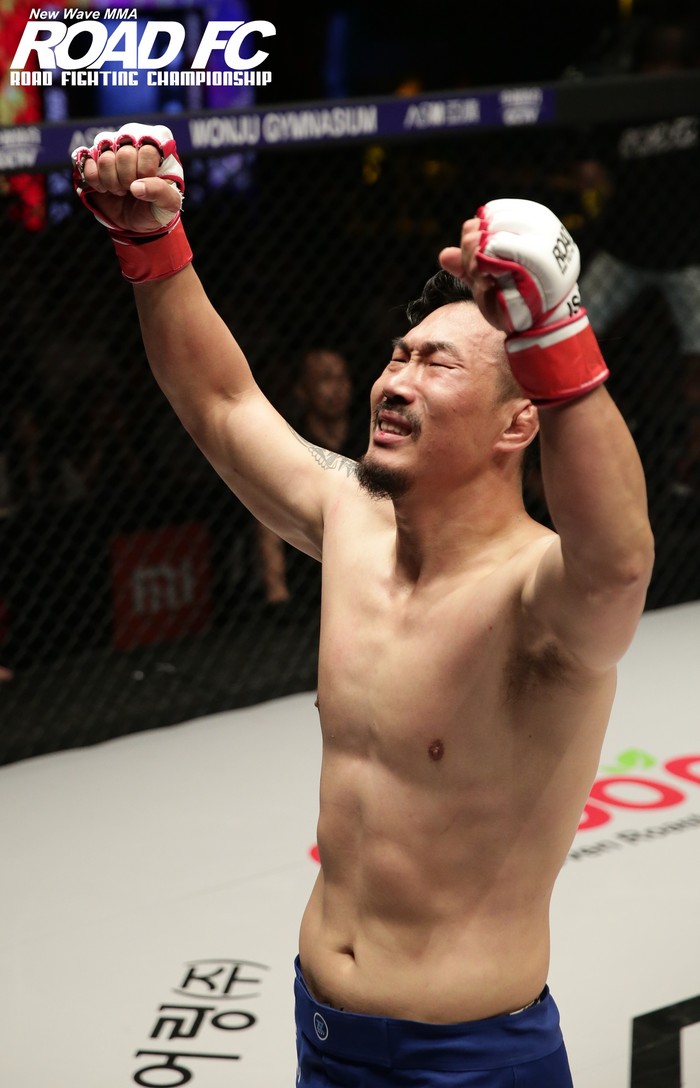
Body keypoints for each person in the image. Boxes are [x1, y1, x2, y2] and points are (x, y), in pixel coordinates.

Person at [72, 125, 654, 1087]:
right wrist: (151, 245)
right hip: (324, 1037)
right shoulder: (354, 523)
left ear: (520, 419)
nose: (395, 379)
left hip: (473, 1058)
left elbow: (620, 565)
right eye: (399, 354)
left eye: (438, 364)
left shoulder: (538, 597)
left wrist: (556, 334)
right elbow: (222, 405)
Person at [575, 18, 700, 496]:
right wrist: (593, 176)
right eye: (655, 65)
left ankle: (690, 460)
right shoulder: (622, 105)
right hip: (624, 250)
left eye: (672, 65)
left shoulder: (692, 100)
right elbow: (589, 160)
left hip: (687, 254)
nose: (662, 74)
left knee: (698, 359)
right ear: (643, 65)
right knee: (566, 334)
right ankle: (553, 452)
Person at [255, 347, 358, 606]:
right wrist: (276, 588)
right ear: (303, 389)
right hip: (309, 583)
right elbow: (269, 522)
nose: (337, 388)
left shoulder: (371, 437)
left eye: (342, 377)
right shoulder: (291, 445)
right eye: (325, 379)